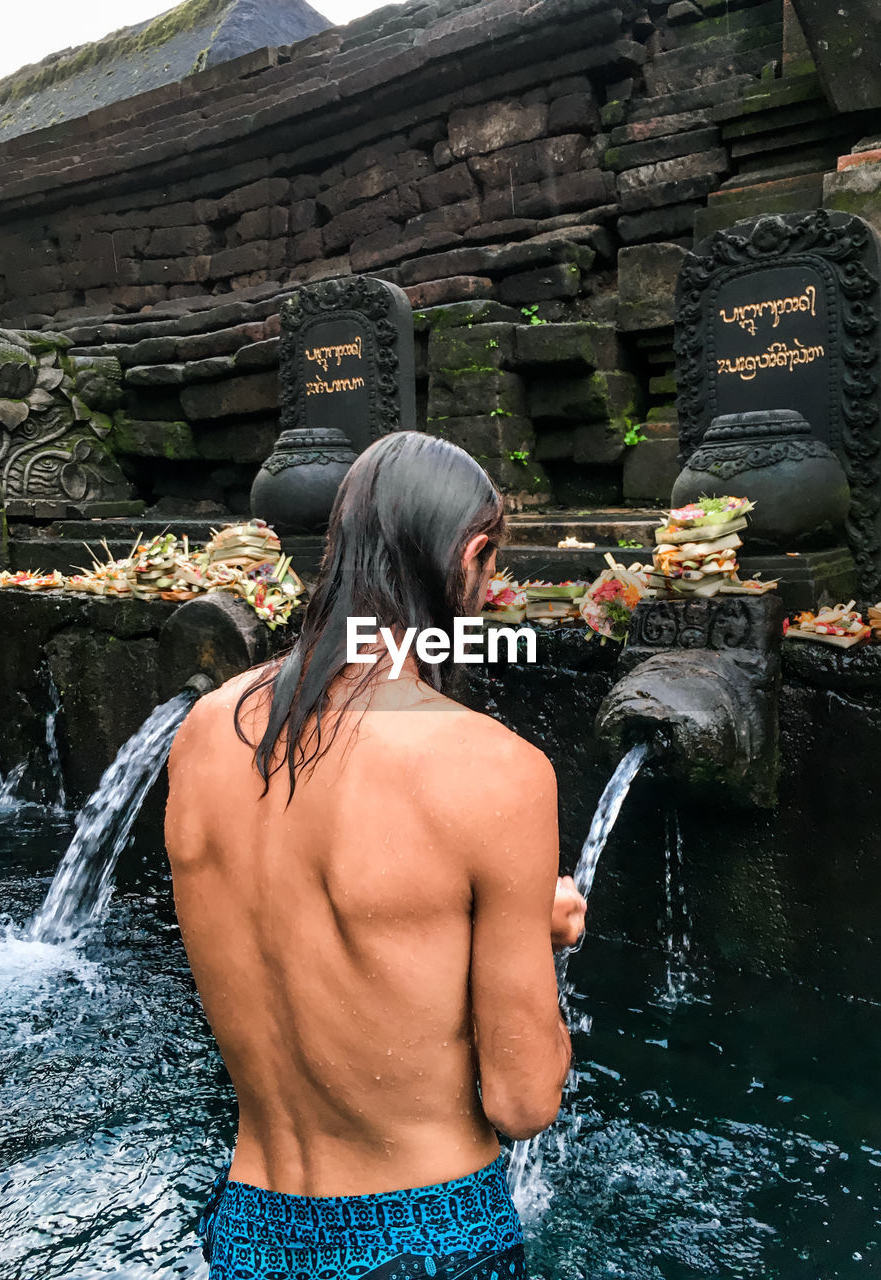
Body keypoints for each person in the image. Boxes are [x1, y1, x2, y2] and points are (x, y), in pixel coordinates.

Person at [165, 431, 588, 1280]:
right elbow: (523, 1099)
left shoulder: (205, 729)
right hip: (427, 1235)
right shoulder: (496, 769)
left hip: (248, 1227)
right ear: (470, 556)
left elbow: (312, 935)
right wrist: (532, 939)